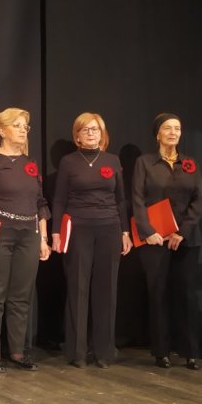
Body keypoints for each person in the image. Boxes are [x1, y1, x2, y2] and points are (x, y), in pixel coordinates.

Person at [0, 108, 51, 373]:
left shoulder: (30, 163)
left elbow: (40, 203)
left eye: (25, 126)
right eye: (17, 125)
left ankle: (17, 351)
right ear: (1, 130)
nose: (23, 129)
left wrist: (43, 238)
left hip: (29, 233)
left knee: (21, 295)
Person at [50, 113, 131, 368]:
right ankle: (77, 352)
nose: (91, 133)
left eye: (95, 129)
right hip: (78, 228)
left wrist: (125, 232)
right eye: (85, 129)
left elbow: (121, 199)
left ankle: (104, 352)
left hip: (110, 227)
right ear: (77, 135)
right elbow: (59, 199)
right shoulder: (68, 162)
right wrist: (55, 232)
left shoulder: (112, 160)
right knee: (78, 288)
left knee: (106, 289)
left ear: (102, 134)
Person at [131, 112, 202, 370]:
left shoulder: (190, 164)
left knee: (186, 295)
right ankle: (161, 351)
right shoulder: (144, 163)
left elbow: (198, 200)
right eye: (167, 128)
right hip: (155, 240)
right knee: (158, 294)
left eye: (177, 128)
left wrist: (181, 232)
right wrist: (148, 231)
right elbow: (137, 199)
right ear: (157, 134)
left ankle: (190, 352)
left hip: (186, 240)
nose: (173, 132)